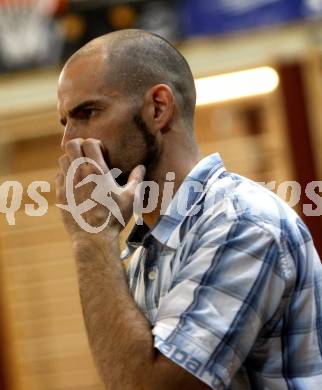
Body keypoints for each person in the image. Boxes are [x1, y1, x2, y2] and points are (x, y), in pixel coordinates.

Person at [56, 29, 322, 389]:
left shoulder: (241, 222)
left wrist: (91, 239)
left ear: (158, 108)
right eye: (65, 122)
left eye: (88, 112)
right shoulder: (143, 249)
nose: (69, 139)